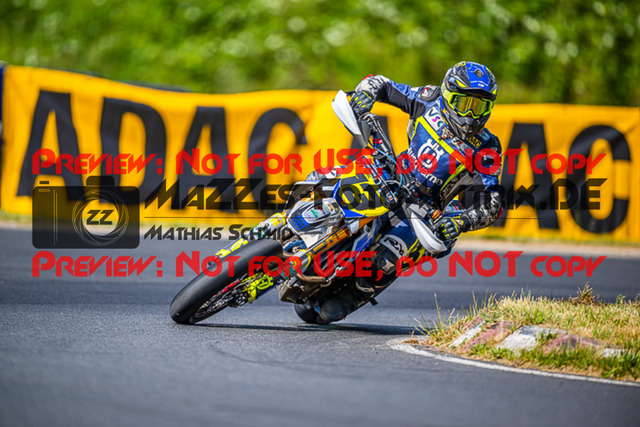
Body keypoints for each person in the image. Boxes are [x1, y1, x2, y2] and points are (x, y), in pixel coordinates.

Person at [303, 61, 504, 324]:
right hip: (390, 174)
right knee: (321, 178)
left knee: (384, 261)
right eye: (464, 103)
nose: (470, 116)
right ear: (447, 95)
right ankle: (285, 225)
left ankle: (352, 296)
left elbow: (491, 202)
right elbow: (381, 84)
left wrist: (459, 222)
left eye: (479, 107)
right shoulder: (429, 99)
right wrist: (365, 96)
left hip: (423, 212)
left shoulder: (488, 146)